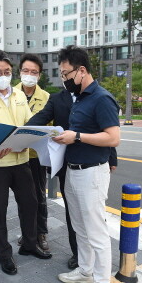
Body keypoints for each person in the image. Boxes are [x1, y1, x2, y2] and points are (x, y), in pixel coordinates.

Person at [0, 49, 52, 276]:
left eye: (7, 72)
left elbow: (28, 124)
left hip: (21, 159)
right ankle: (4, 254)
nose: (3, 76)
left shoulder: (18, 96)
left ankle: (29, 244)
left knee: (30, 203)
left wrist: (28, 139)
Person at [53, 45, 120, 283]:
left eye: (66, 74)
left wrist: (77, 136)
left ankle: (102, 282)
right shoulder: (80, 97)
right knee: (79, 226)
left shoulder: (101, 98)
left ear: (82, 71)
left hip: (92, 173)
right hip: (73, 171)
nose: (64, 80)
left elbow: (113, 137)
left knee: (95, 230)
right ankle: (85, 270)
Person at [27, 89, 118, 270]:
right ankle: (80, 258)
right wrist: (21, 133)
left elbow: (108, 133)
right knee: (73, 215)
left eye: (66, 72)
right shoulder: (57, 99)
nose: (64, 76)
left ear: (80, 70)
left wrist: (111, 158)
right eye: (61, 73)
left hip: (92, 165)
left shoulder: (97, 98)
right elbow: (41, 118)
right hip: (67, 165)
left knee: (93, 219)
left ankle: (100, 272)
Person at [14, 53, 51, 251]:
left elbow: (52, 127)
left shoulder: (45, 98)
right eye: (26, 71)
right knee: (23, 198)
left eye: (34, 72)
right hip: (16, 155)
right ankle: (27, 232)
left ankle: (41, 232)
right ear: (20, 72)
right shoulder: (10, 94)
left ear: (40, 75)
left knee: (39, 196)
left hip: (36, 156)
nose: (29, 75)